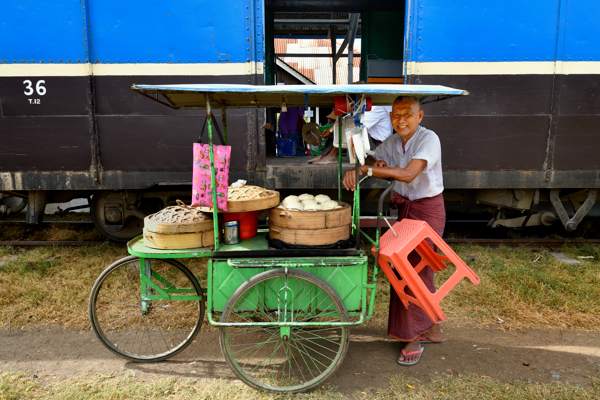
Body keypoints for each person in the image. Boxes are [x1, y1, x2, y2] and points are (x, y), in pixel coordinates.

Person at [343, 96, 446, 366]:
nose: (401, 120)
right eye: (396, 115)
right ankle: (431, 327)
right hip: (406, 211)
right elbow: (374, 158)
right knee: (410, 269)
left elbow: (410, 174)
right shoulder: (392, 141)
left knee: (414, 271)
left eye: (407, 115)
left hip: (427, 210)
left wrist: (372, 170)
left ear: (420, 116)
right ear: (390, 118)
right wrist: (359, 168)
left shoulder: (428, 140)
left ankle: (413, 336)